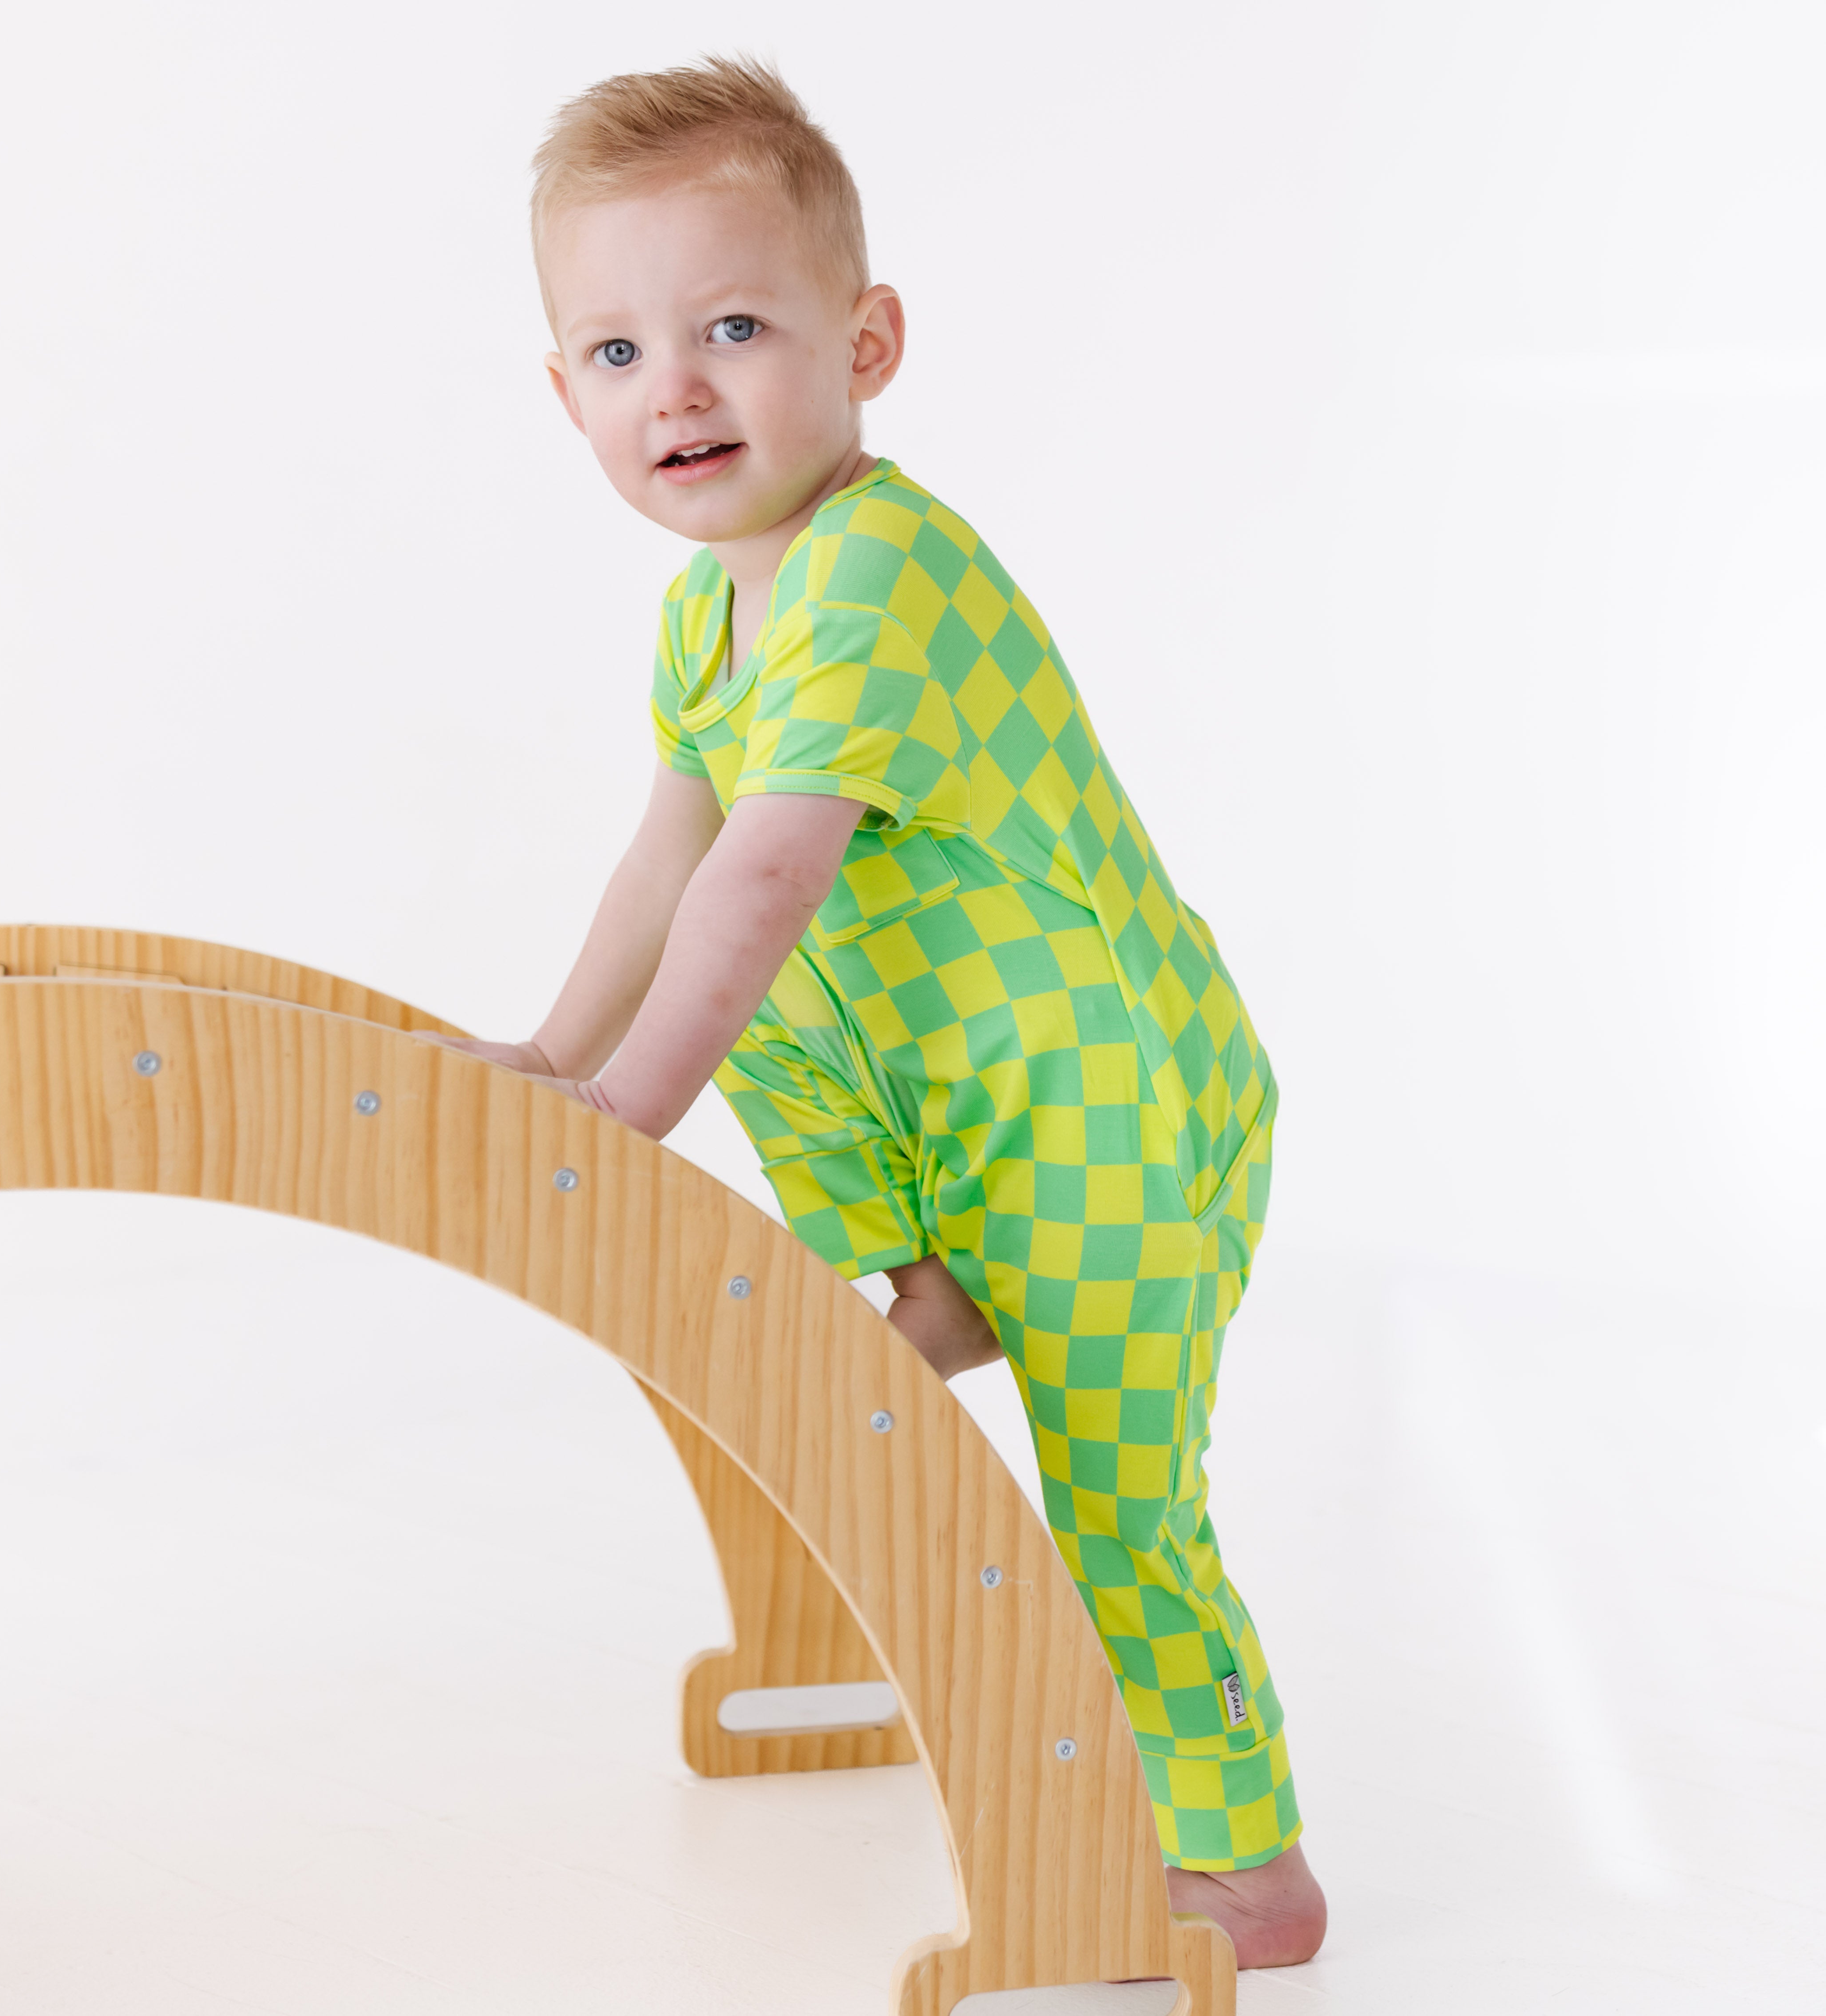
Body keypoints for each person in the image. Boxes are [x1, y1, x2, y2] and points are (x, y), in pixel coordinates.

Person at [430, 54, 1325, 1970]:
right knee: (741, 999)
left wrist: (628, 1114)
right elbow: (666, 859)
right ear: (566, 394)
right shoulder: (710, 614)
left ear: (868, 345)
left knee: (1120, 1504)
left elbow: (761, 880)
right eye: (617, 352)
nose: (676, 390)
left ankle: (1252, 1868)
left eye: (733, 330)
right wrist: (557, 1057)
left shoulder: (875, 574)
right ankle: (943, 1285)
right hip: (970, 1112)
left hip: (1111, 1108)